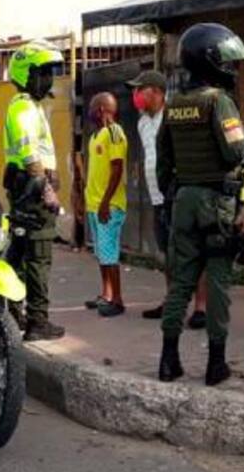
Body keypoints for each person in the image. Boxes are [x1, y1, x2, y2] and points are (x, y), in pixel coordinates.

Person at [156, 23, 244, 386]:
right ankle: (216, 365)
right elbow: (237, 151)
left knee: (181, 281)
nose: (232, 69)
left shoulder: (174, 105)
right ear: (212, 62)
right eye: (228, 62)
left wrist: (176, 194)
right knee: (217, 282)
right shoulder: (218, 101)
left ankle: (168, 360)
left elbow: (162, 162)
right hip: (216, 202)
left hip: (183, 199)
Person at [129, 69, 207, 328]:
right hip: (157, 197)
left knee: (191, 252)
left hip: (178, 195)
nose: (136, 95)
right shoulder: (142, 123)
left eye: (141, 90)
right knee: (166, 254)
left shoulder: (174, 117)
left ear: (158, 92)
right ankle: (173, 301)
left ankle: (201, 307)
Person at [3, 40, 65, 342]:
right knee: (38, 256)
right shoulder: (23, 108)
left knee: (19, 252)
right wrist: (46, 190)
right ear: (26, 74)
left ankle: (11, 312)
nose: (48, 79)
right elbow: (29, 154)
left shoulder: (30, 106)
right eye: (43, 73)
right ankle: (37, 321)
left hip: (28, 187)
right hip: (31, 189)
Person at [82, 92, 127, 317]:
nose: (89, 112)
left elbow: (117, 169)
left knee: (110, 254)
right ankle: (106, 294)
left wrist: (106, 202)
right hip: (94, 203)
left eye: (92, 107)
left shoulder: (114, 132)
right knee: (101, 252)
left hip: (109, 205)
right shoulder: (94, 136)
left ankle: (117, 300)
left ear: (101, 109)